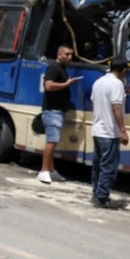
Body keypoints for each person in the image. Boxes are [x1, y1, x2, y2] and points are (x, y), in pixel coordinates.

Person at [90, 55, 129, 209]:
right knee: (108, 167)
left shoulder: (98, 82)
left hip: (97, 130)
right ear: (123, 70)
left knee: (98, 165)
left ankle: (96, 193)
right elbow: (117, 107)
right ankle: (102, 198)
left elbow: (93, 103)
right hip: (109, 132)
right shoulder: (116, 84)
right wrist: (123, 130)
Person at [37, 45, 77, 184]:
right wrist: (66, 84)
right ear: (59, 54)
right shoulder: (54, 67)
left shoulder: (62, 69)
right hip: (52, 111)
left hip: (59, 111)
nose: (70, 57)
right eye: (67, 54)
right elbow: (48, 86)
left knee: (54, 141)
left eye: (71, 55)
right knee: (51, 141)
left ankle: (51, 170)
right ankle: (43, 171)